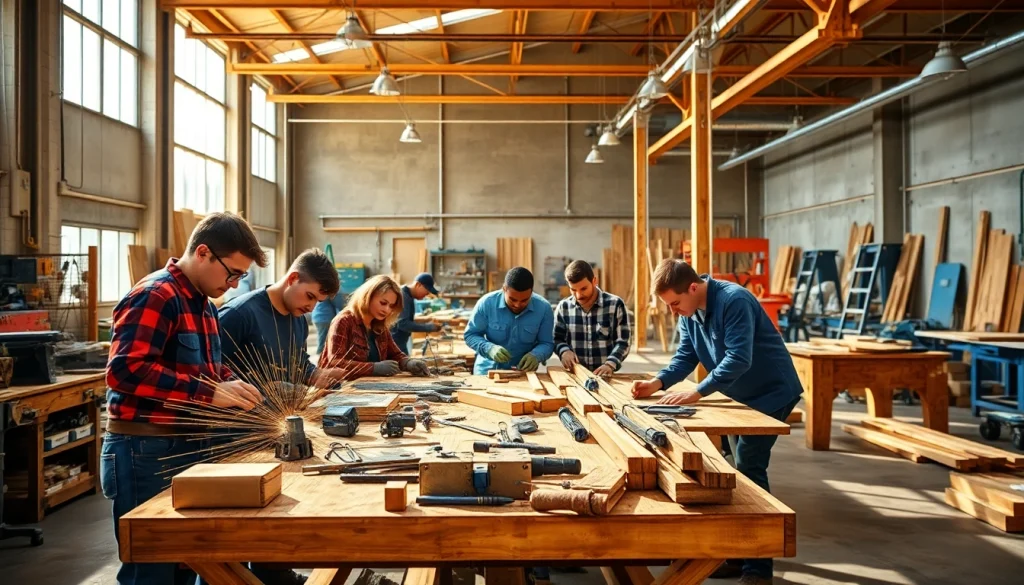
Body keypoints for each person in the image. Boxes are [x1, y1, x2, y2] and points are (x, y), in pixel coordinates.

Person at [103, 212, 268, 585]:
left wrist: (235, 385)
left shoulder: (203, 304)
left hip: (186, 445)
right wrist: (210, 392)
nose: (234, 283)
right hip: (144, 448)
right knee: (152, 567)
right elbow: (125, 370)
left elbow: (206, 368)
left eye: (241, 277)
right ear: (204, 253)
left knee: (189, 561)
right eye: (232, 273)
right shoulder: (155, 295)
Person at [631, 259, 802, 585]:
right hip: (742, 397)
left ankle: (758, 571)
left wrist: (698, 392)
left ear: (693, 288)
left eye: (675, 303)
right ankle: (737, 557)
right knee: (736, 470)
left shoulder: (734, 300)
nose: (673, 312)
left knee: (749, 468)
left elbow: (739, 358)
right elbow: (686, 355)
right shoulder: (689, 310)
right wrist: (658, 382)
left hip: (771, 393)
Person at [219, 248, 349, 393]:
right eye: (310, 296)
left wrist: (315, 375)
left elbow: (299, 363)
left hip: (285, 413)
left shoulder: (299, 320)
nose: (311, 308)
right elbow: (209, 374)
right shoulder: (239, 315)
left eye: (318, 302)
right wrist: (264, 389)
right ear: (293, 278)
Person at [318, 275, 431, 379]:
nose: (387, 310)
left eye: (391, 306)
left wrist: (408, 363)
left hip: (367, 389)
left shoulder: (379, 326)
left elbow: (395, 354)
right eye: (383, 303)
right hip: (339, 389)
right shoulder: (344, 321)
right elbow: (336, 361)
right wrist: (373, 368)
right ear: (368, 297)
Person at [464, 267, 554, 375]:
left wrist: (536, 355)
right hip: (486, 372)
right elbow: (471, 335)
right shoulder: (486, 304)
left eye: (524, 300)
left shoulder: (544, 308)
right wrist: (489, 348)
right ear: (504, 289)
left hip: (522, 373)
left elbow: (547, 343)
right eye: (513, 299)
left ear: (531, 292)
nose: (517, 305)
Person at [554, 260, 631, 377]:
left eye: (583, 289)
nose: (578, 295)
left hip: (605, 376)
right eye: (573, 290)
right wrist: (564, 351)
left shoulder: (615, 305)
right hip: (575, 376)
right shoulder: (563, 307)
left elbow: (623, 341)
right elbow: (556, 338)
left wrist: (610, 364)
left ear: (594, 281)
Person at [391, 272, 441, 353]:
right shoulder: (404, 296)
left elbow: (405, 319)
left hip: (399, 342)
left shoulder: (408, 295)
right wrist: (429, 327)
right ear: (418, 285)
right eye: (427, 291)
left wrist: (425, 320)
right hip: (395, 343)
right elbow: (403, 324)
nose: (427, 294)